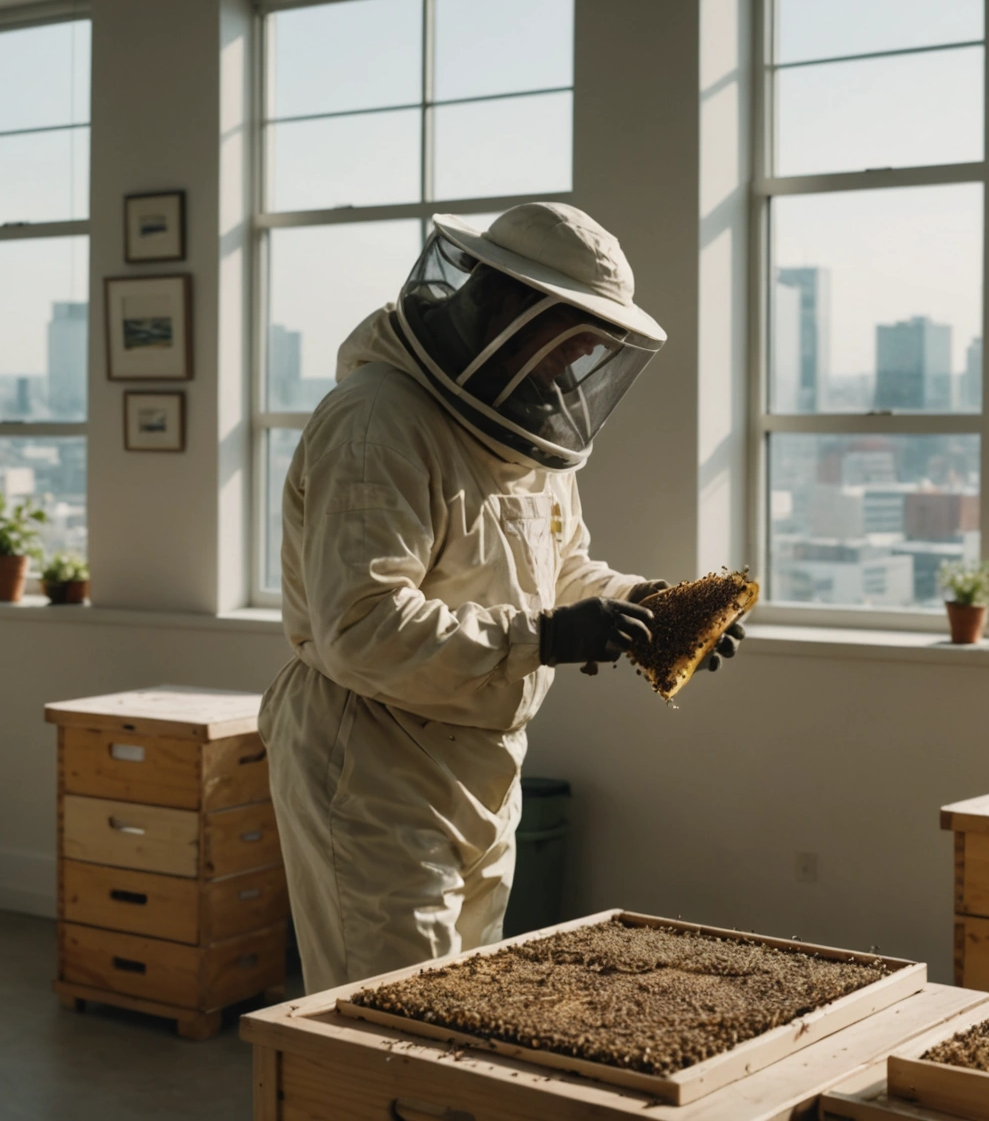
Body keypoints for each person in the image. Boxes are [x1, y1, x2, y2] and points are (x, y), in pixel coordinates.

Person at [259, 203, 744, 993]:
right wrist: (546, 639)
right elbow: (362, 628)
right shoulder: (378, 421)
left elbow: (561, 570)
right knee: (382, 1020)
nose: (577, 361)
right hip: (373, 754)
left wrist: (645, 607)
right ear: (502, 302)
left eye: (592, 344)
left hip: (482, 755)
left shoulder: (523, 430)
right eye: (570, 336)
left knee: (456, 1001)